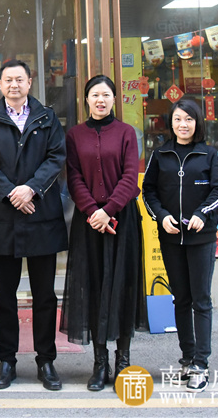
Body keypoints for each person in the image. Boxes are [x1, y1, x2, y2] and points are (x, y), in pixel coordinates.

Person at [0, 59, 67, 391]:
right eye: (8, 80)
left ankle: (46, 360)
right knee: (4, 296)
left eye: (20, 79)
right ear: (0, 84)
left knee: (44, 296)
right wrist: (12, 193)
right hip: (5, 218)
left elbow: (56, 157)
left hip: (41, 216)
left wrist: (31, 189)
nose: (14, 85)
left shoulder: (47, 118)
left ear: (29, 82)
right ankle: (7, 360)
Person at [61, 74, 142, 392]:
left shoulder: (126, 133)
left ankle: (123, 360)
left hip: (122, 220)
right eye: (95, 95)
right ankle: (99, 363)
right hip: (89, 222)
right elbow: (74, 177)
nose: (100, 100)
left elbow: (131, 177)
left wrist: (108, 210)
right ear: (86, 99)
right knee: (93, 287)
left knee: (123, 287)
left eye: (106, 95)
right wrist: (93, 211)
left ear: (114, 99)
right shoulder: (74, 135)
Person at [142, 99, 218, 393]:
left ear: (197, 122)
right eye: (178, 119)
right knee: (180, 299)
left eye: (189, 119)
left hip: (201, 238)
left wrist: (203, 214)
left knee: (201, 300)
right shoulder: (161, 154)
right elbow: (148, 191)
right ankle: (188, 358)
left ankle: (201, 364)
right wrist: (161, 216)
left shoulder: (210, 155)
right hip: (170, 238)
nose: (183, 124)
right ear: (171, 122)